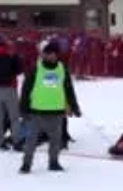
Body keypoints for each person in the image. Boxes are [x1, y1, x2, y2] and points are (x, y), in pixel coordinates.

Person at [18, 42, 81, 174]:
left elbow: (68, 89)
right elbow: (26, 89)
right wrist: (23, 108)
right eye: (49, 53)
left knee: (55, 140)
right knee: (31, 140)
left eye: (54, 54)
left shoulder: (62, 68)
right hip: (37, 111)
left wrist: (74, 106)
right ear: (44, 54)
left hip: (57, 111)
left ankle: (53, 162)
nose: (52, 56)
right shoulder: (36, 68)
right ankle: (26, 164)